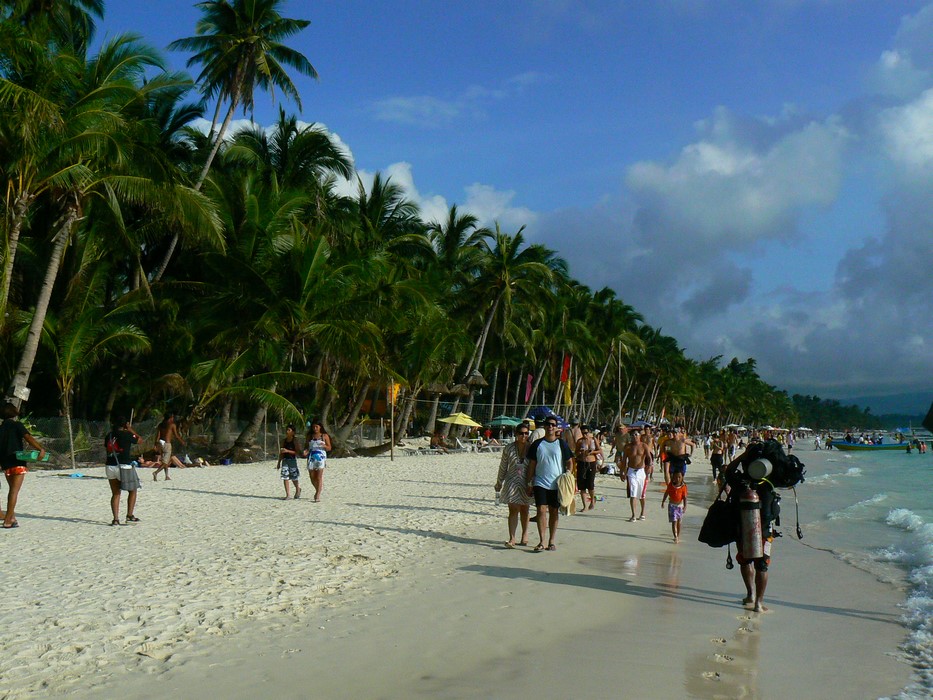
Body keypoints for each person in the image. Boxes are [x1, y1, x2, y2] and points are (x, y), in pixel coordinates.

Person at [723, 435, 780, 613]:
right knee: (762, 564)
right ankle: (758, 603)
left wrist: (743, 455)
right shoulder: (770, 481)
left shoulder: (740, 482)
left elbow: (728, 471)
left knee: (745, 560)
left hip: (743, 527)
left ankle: (750, 595)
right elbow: (786, 476)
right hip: (765, 529)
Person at [526, 418, 574, 551]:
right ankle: (542, 541)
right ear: (545, 427)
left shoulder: (561, 444)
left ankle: (551, 541)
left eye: (553, 425)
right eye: (548, 424)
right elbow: (532, 465)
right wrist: (529, 483)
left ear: (556, 428)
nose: (550, 427)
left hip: (557, 483)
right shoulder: (537, 444)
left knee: (554, 511)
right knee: (541, 510)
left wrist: (568, 474)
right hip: (540, 482)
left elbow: (570, 461)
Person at [0, 402, 45, 529]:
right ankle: (8, 520)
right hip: (18, 461)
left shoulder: (1, 428)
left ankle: (11, 517)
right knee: (14, 491)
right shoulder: (17, 425)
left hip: (6, 462)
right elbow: (28, 438)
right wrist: (40, 449)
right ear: (14, 413)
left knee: (11, 490)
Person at [495, 424, 533, 548]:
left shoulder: (532, 448)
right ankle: (512, 537)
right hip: (511, 481)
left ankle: (525, 535)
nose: (524, 436)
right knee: (513, 510)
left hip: (526, 481)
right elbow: (503, 466)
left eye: (526, 433)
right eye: (521, 433)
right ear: (516, 434)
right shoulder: (509, 448)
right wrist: (499, 482)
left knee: (525, 509)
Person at [104, 416, 142, 525]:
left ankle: (115, 519)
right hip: (124, 465)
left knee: (115, 493)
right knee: (133, 490)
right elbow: (140, 440)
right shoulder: (127, 434)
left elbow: (106, 447)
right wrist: (130, 429)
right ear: (125, 424)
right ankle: (129, 515)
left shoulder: (109, 435)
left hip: (110, 465)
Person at [621, 430, 651, 521]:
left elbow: (649, 457)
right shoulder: (628, 447)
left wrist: (649, 466)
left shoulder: (644, 446)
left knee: (642, 494)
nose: (634, 436)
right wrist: (622, 472)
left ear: (639, 436)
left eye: (636, 434)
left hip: (641, 471)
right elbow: (624, 460)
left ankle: (642, 513)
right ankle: (633, 515)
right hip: (631, 471)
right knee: (633, 493)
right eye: (632, 435)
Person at [304, 420, 332, 502]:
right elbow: (306, 446)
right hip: (311, 456)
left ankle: (317, 495)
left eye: (317, 426)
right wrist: (305, 451)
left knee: (319, 477)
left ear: (320, 427)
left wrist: (325, 446)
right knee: (312, 476)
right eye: (313, 427)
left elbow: (329, 447)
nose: (315, 428)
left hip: (321, 457)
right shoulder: (310, 436)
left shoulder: (324, 436)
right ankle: (317, 489)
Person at [153, 413, 184, 481]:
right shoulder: (172, 425)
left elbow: (158, 435)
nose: (173, 419)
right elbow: (176, 435)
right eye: (172, 417)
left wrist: (155, 444)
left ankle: (166, 476)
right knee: (165, 462)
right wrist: (181, 441)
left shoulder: (161, 425)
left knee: (165, 460)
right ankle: (156, 472)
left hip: (161, 443)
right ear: (170, 418)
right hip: (167, 443)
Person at [575, 426, 599, 510]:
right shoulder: (580, 441)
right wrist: (580, 452)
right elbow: (576, 453)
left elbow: (599, 450)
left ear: (589, 432)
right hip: (582, 462)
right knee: (581, 485)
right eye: (583, 433)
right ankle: (584, 506)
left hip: (591, 462)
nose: (585, 434)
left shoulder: (593, 440)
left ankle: (592, 500)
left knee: (590, 484)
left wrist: (592, 452)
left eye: (586, 432)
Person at [661, 470, 687, 543]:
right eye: (676, 477)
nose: (677, 479)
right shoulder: (670, 485)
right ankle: (675, 536)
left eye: (679, 477)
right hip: (672, 506)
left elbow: (685, 497)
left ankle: (678, 535)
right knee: (674, 521)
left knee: (679, 522)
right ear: (673, 477)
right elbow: (666, 493)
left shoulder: (683, 487)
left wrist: (685, 506)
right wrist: (663, 502)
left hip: (680, 506)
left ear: (682, 478)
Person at [276, 424, 301, 500]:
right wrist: (279, 462)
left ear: (293, 432)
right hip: (285, 460)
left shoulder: (295, 441)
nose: (287, 431)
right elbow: (281, 453)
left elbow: (297, 452)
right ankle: (288, 494)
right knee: (285, 477)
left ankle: (298, 489)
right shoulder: (284, 441)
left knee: (294, 477)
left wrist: (288, 451)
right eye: (287, 430)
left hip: (292, 460)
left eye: (289, 430)